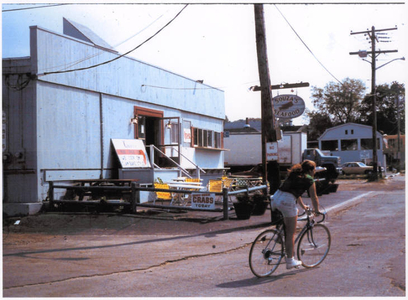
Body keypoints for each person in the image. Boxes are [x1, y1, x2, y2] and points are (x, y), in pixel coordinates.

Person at [270, 160, 321, 270]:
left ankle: (280, 236)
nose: (315, 171)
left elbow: (295, 192)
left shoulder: (294, 174)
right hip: (286, 201)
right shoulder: (309, 180)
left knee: (294, 213)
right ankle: (290, 261)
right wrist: (317, 210)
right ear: (311, 170)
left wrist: (303, 207)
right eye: (314, 169)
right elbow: (314, 197)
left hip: (275, 198)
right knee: (291, 234)